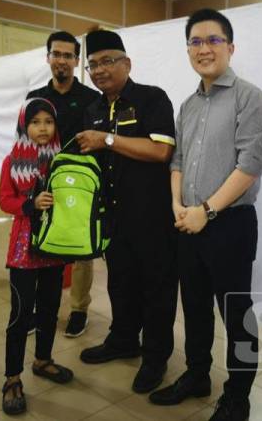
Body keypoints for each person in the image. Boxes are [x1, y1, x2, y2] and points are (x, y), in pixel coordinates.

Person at [149, 9, 262, 421]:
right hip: (187, 222)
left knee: (236, 314)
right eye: (195, 42)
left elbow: (250, 164)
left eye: (213, 40)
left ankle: (238, 395)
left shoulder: (249, 97)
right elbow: (178, 160)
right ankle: (197, 374)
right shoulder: (187, 105)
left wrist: (206, 210)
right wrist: (177, 206)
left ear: (230, 47)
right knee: (196, 308)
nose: (203, 49)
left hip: (230, 226)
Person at [75, 30, 178, 394]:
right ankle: (122, 340)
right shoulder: (94, 109)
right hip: (113, 218)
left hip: (152, 218)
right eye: (93, 65)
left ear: (126, 63)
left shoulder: (151, 99)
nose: (99, 70)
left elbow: (161, 151)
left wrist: (106, 139)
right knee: (120, 283)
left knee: (157, 289)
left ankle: (155, 357)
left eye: (107, 61)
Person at [0, 98, 74, 416]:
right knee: (20, 315)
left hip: (55, 250)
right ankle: (12, 378)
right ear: (24, 126)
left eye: (48, 122)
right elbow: (5, 200)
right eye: (35, 122)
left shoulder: (64, 160)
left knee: (49, 310)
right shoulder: (12, 161)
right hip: (23, 253)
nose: (43, 128)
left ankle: (43, 360)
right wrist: (30, 204)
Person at [27, 30, 100, 338]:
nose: (61, 60)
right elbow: (25, 139)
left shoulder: (91, 100)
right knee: (42, 244)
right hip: (43, 183)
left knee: (80, 248)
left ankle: (79, 309)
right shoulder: (35, 99)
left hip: (78, 185)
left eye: (68, 55)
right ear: (48, 58)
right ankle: (42, 309)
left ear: (76, 60)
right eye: (56, 54)